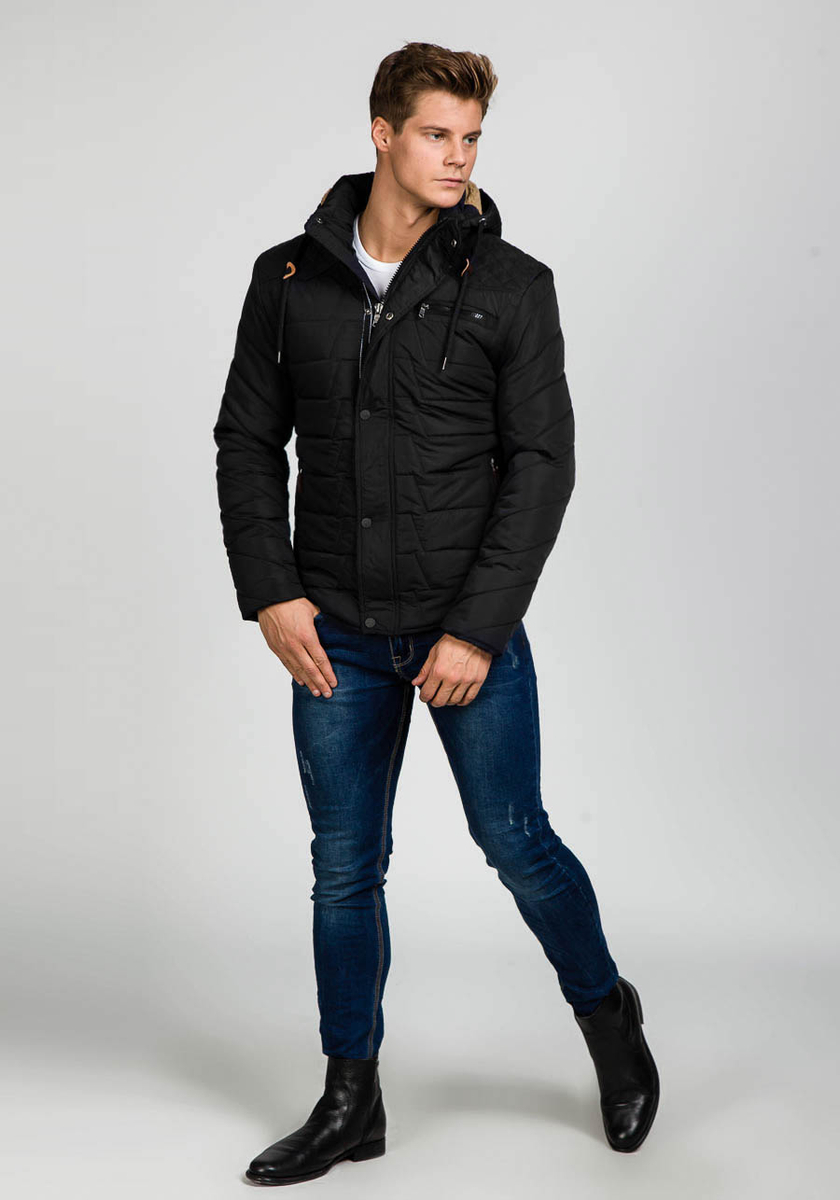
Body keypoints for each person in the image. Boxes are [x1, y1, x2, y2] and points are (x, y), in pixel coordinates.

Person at [212, 41, 659, 1186]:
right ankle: (350, 1100)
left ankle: (609, 1016)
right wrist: (271, 590)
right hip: (335, 633)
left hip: (467, 629)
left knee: (516, 842)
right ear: (382, 134)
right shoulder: (288, 280)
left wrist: (477, 630)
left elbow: (542, 466)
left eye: (471, 138)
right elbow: (247, 441)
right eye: (436, 134)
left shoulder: (511, 286)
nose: (459, 157)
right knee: (343, 867)